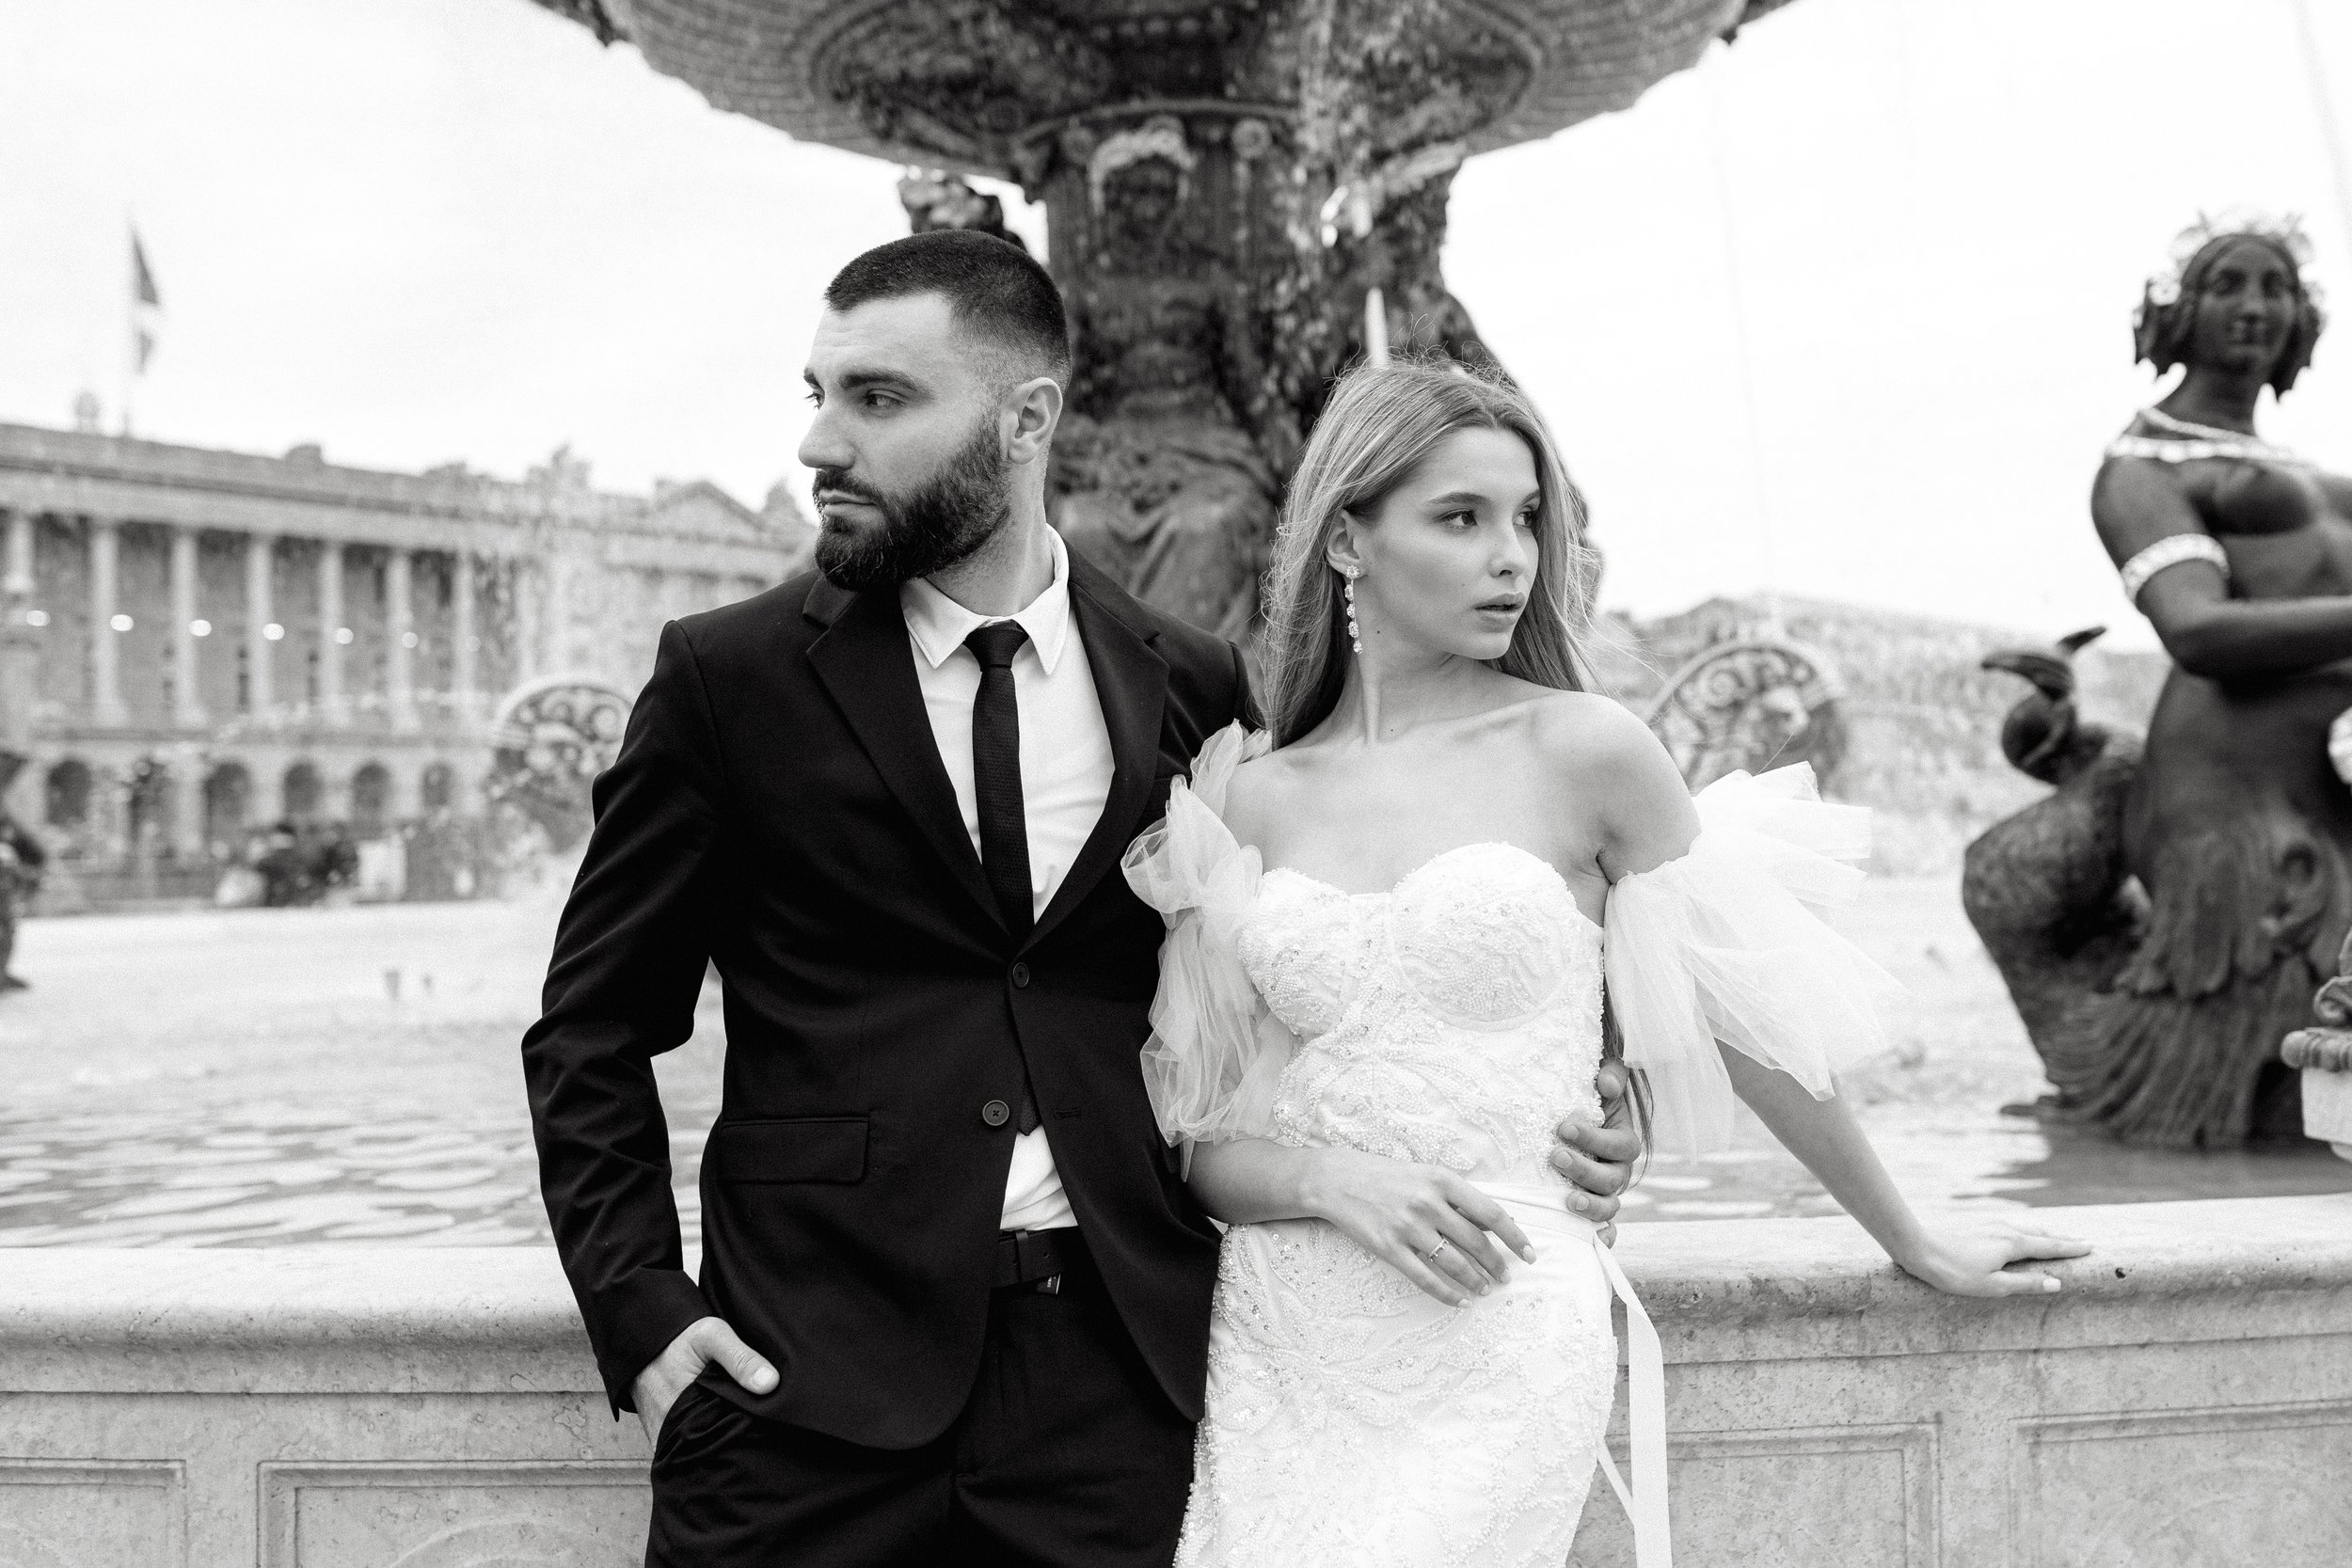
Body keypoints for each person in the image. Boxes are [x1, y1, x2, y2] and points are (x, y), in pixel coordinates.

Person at [519, 230, 1638, 1568]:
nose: (821, 441)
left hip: (1117, 1389)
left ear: (1027, 416)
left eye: (877, 398)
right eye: (815, 393)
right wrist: (637, 1298)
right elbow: (591, 1023)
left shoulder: (1192, 684)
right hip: (798, 1388)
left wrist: (1571, 1102)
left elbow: (1298, 1005)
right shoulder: (727, 678)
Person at [1124, 358, 2093, 1567]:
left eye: (1526, 518)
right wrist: (1333, 1181)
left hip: (1502, 1314)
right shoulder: (1255, 794)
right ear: (1346, 544)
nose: (1511, 557)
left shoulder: (1585, 749)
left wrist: (1914, 1235)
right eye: (1460, 518)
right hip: (1287, 1336)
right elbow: (1205, 1141)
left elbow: (1742, 1019)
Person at [2056, 211, 2352, 1148]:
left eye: (2275, 287)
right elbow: (2195, 627)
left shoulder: (2293, 464)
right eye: (2227, 283)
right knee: (2261, 1046)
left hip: (2326, 782)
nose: (2255, 304)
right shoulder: (2137, 465)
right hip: (2228, 795)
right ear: (2176, 313)